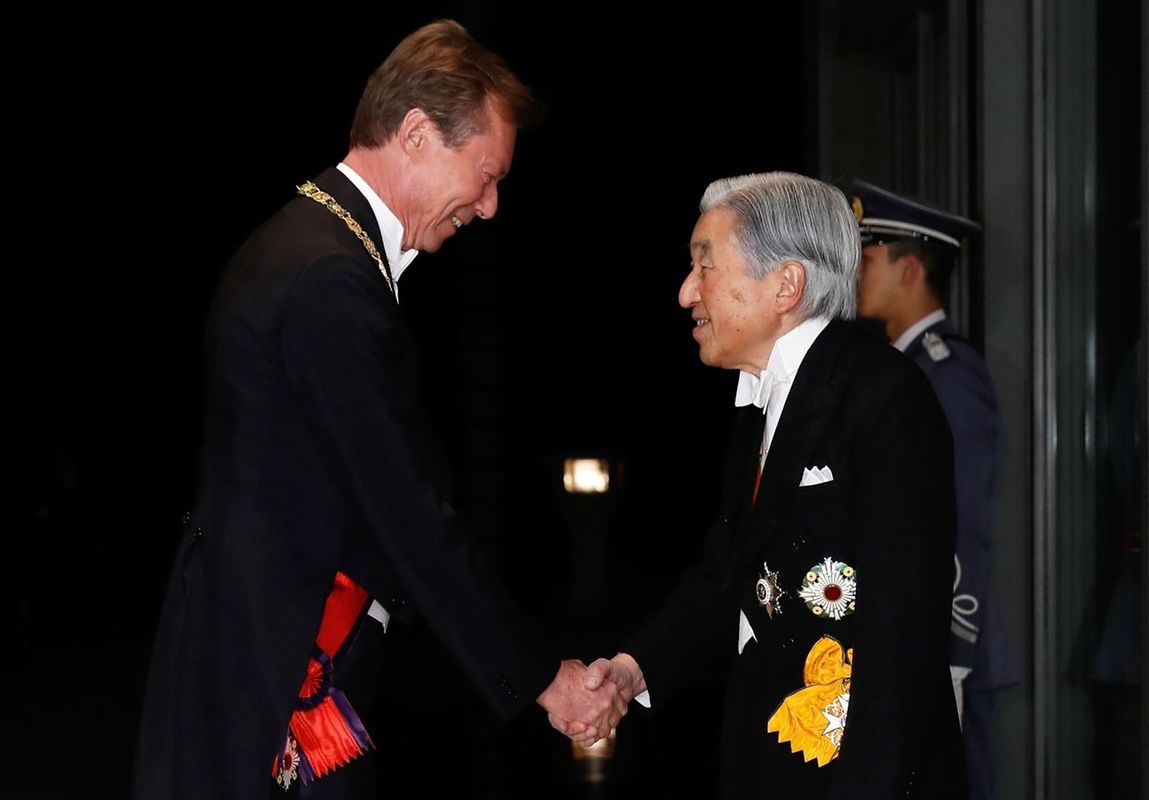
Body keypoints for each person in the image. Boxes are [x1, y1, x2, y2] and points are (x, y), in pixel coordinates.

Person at [132, 19, 623, 799]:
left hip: (253, 651)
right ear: (417, 133)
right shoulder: (328, 278)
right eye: (485, 175)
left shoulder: (313, 243)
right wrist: (540, 679)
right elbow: (403, 510)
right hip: (281, 681)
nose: (490, 206)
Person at [559, 171, 967, 798]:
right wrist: (631, 671)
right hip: (770, 756)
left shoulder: (886, 397)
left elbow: (901, 637)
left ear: (786, 285)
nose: (686, 292)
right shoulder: (761, 395)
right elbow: (728, 572)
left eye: (705, 266)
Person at [848, 179, 1020, 799]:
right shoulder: (904, 367)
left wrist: (954, 644)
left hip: (947, 644)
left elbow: (967, 517)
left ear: (910, 268)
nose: (855, 274)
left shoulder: (947, 373)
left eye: (868, 259)